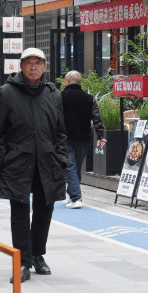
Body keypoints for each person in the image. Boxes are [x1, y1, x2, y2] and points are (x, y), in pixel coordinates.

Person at [0, 48, 68, 283]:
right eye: (28, 63)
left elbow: (61, 132)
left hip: (47, 162)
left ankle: (37, 255)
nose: (33, 67)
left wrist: (61, 158)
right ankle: (22, 261)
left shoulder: (53, 94)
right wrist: (2, 161)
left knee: (46, 209)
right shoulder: (6, 93)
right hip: (17, 162)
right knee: (20, 212)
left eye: (38, 63)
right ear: (21, 66)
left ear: (45, 67)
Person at [60, 71, 106, 209]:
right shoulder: (89, 98)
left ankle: (75, 198)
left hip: (66, 138)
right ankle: (72, 193)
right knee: (76, 168)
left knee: (70, 167)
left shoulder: (59, 97)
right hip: (84, 138)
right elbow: (96, 118)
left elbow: (53, 118)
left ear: (67, 80)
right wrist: (101, 135)